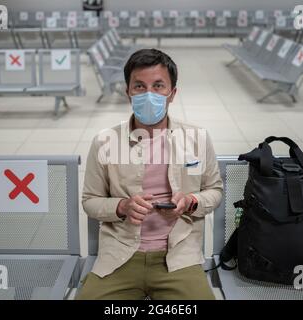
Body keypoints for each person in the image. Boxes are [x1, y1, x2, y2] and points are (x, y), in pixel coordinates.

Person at [76, 48, 223, 300]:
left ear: (172, 93)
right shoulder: (105, 142)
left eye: (158, 86)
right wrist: (122, 206)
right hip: (121, 255)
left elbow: (215, 190)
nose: (149, 94)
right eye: (139, 87)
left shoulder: (196, 138)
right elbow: (90, 201)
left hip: (178, 255)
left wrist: (190, 202)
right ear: (128, 92)